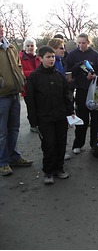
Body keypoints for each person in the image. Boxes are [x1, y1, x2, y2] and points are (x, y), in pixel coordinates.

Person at [25, 46, 75, 184]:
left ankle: (59, 168)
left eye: (53, 56)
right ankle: (48, 171)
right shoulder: (35, 77)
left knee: (61, 143)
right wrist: (33, 120)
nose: (51, 59)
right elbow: (30, 100)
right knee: (49, 145)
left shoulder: (59, 75)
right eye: (48, 57)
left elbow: (66, 96)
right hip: (44, 118)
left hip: (60, 116)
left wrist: (70, 113)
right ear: (40, 59)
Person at [0, 22, 33, 176]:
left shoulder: (10, 47)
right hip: (1, 95)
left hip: (14, 92)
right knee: (2, 131)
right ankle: (3, 161)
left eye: (2, 27)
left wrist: (21, 80)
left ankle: (14, 156)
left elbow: (18, 66)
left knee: (14, 128)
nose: (1, 29)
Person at [65, 33, 98, 153]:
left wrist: (94, 76)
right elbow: (68, 72)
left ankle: (95, 144)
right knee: (82, 119)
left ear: (88, 42)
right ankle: (78, 144)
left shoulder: (95, 55)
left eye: (83, 43)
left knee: (97, 119)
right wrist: (78, 67)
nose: (81, 45)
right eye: (79, 43)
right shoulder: (72, 55)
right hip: (81, 90)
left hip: (95, 91)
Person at [19, 37, 41, 132]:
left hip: (38, 85)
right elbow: (21, 72)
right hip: (27, 86)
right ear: (24, 47)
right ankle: (33, 125)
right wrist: (34, 73)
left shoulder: (38, 57)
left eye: (32, 46)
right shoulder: (20, 57)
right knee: (31, 106)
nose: (30, 48)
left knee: (39, 105)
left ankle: (40, 123)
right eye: (28, 46)